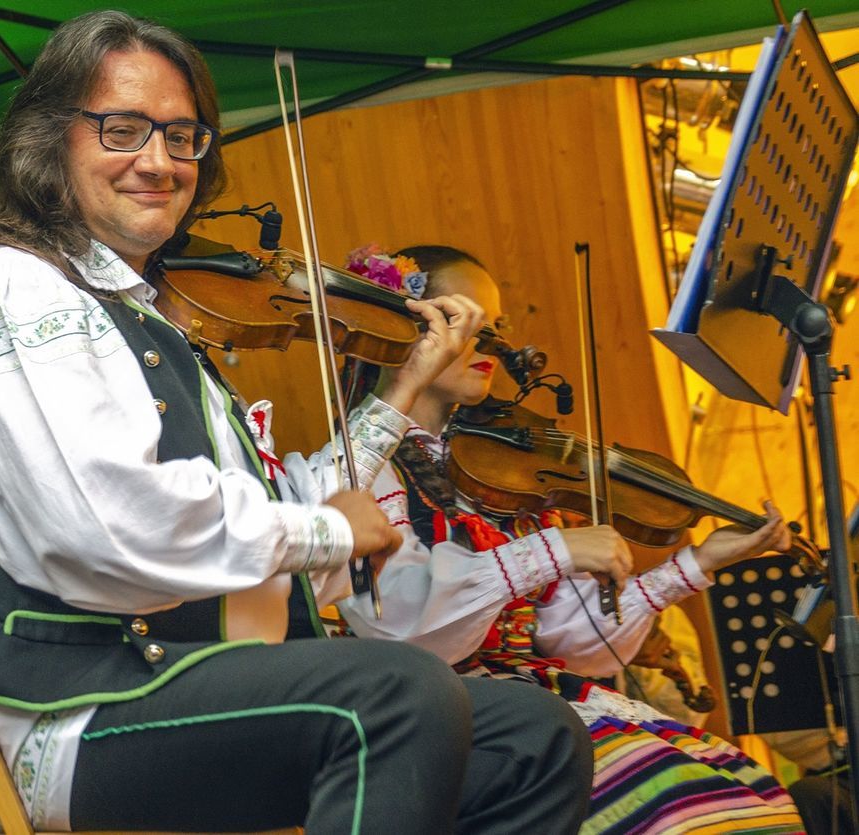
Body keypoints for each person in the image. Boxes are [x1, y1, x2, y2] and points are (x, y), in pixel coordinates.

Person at [0, 10, 593, 834]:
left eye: (183, 135)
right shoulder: (11, 289)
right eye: (122, 129)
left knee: (536, 735)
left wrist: (402, 389)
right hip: (68, 713)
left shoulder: (148, 323)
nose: (159, 161)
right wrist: (322, 532)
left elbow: (278, 516)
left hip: (190, 679)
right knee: (396, 695)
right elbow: (107, 529)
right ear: (50, 139)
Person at [316, 245, 805, 833]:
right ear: (405, 327)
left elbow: (577, 644)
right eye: (469, 324)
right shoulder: (364, 474)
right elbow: (403, 627)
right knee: (681, 815)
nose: (493, 346)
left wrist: (695, 563)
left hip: (543, 700)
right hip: (452, 722)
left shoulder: (508, 472)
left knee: (755, 804)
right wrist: (555, 551)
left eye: (496, 328)